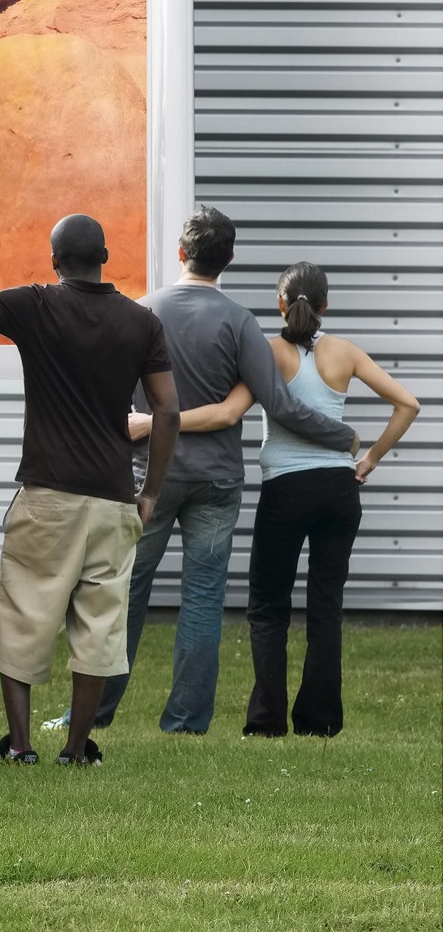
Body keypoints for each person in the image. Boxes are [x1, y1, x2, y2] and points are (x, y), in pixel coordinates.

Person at [80, 206, 358, 736]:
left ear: (182, 254)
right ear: (226, 260)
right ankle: (186, 722)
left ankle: (93, 713)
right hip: (219, 481)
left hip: (149, 479)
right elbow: (278, 403)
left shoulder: (142, 312)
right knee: (203, 597)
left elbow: (111, 399)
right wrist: (340, 433)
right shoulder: (239, 322)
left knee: (123, 591)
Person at [0, 214, 178, 767]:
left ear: (54, 260)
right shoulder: (142, 323)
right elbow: (167, 409)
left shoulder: (36, 304)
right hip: (113, 498)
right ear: (106, 256)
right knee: (99, 627)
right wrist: (151, 493)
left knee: (23, 618)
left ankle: (19, 746)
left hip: (45, 496)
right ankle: (74, 749)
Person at [128, 261, 419, 737]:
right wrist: (368, 461)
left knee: (267, 607)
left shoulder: (267, 352)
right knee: (326, 605)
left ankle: (266, 723)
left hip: (286, 490)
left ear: (280, 304)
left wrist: (155, 422)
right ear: (326, 306)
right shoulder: (345, 352)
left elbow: (225, 412)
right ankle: (320, 722)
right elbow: (409, 403)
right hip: (340, 491)